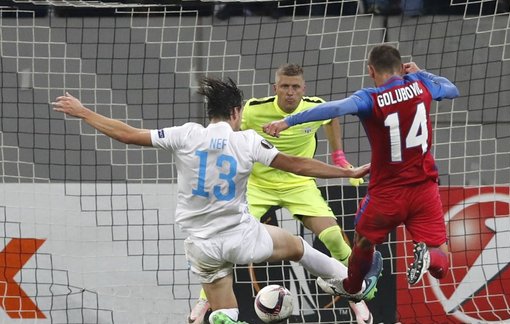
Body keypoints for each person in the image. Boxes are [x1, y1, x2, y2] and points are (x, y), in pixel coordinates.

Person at [51, 77, 373, 324]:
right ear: (236, 113)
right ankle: (349, 283)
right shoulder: (246, 141)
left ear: (211, 113)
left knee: (226, 313)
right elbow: (298, 164)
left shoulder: (186, 134)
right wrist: (346, 170)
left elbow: (127, 134)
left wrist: (83, 112)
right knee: (298, 248)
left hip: (202, 246)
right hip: (243, 237)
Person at [263, 44, 459, 301]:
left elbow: (331, 109)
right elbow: (452, 89)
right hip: (425, 189)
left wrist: (287, 121)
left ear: (370, 70)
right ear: (402, 68)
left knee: (364, 242)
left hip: (386, 193)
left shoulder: (369, 98)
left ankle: (353, 285)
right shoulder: (423, 85)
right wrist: (424, 73)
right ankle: (429, 257)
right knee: (442, 261)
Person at [191, 63, 376, 324]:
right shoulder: (254, 110)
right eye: (285, 86)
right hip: (258, 185)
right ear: (275, 88)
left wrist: (339, 157)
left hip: (298, 184)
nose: (290, 92)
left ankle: (357, 300)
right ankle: (202, 304)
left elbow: (330, 118)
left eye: (295, 87)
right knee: (224, 239)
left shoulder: (314, 107)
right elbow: (227, 133)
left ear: (304, 89)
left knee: (334, 237)